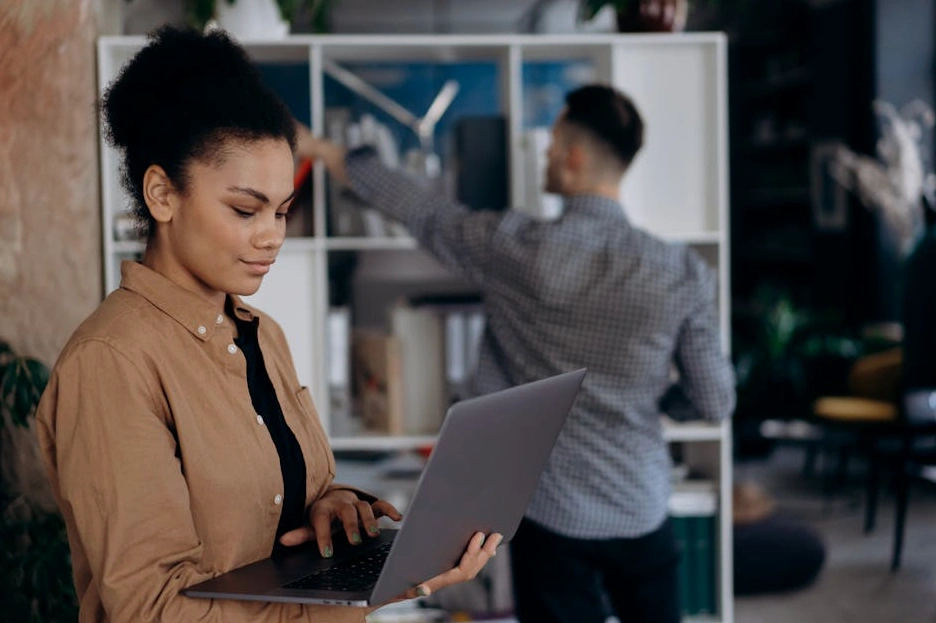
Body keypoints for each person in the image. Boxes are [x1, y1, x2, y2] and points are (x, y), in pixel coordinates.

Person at [35, 26, 500, 623]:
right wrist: (363, 595)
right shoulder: (112, 362)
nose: (272, 235)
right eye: (244, 209)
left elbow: (275, 505)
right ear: (161, 195)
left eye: (282, 211)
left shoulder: (261, 333)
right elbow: (153, 610)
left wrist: (330, 507)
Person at [298, 84, 736, 623]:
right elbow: (715, 401)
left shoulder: (516, 249)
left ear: (573, 158)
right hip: (639, 501)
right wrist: (661, 401)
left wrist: (326, 150)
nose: (548, 155)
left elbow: (423, 211)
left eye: (553, 144)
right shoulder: (682, 271)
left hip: (553, 513)